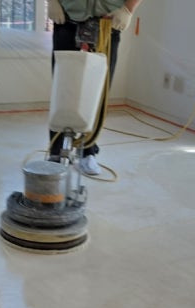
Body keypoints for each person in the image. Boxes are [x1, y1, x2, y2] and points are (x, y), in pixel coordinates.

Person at [47, 0, 144, 176]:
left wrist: (128, 9)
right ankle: (56, 151)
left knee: (98, 90)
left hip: (107, 23)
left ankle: (87, 151)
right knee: (63, 88)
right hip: (67, 20)